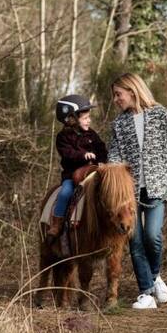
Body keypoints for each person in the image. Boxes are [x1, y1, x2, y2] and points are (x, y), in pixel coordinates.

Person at [108, 73, 167, 309]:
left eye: (118, 94)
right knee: (135, 240)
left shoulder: (160, 114)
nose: (115, 99)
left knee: (152, 235)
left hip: (157, 185)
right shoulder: (118, 124)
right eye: (114, 95)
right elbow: (113, 156)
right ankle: (146, 293)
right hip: (129, 192)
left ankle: (154, 275)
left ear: (132, 90)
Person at [47, 94, 108, 239]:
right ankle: (57, 222)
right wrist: (83, 155)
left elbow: (101, 148)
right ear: (72, 119)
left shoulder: (91, 134)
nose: (89, 120)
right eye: (85, 118)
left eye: (89, 117)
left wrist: (102, 160)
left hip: (92, 172)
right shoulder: (63, 137)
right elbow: (67, 153)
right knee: (65, 193)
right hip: (72, 174)